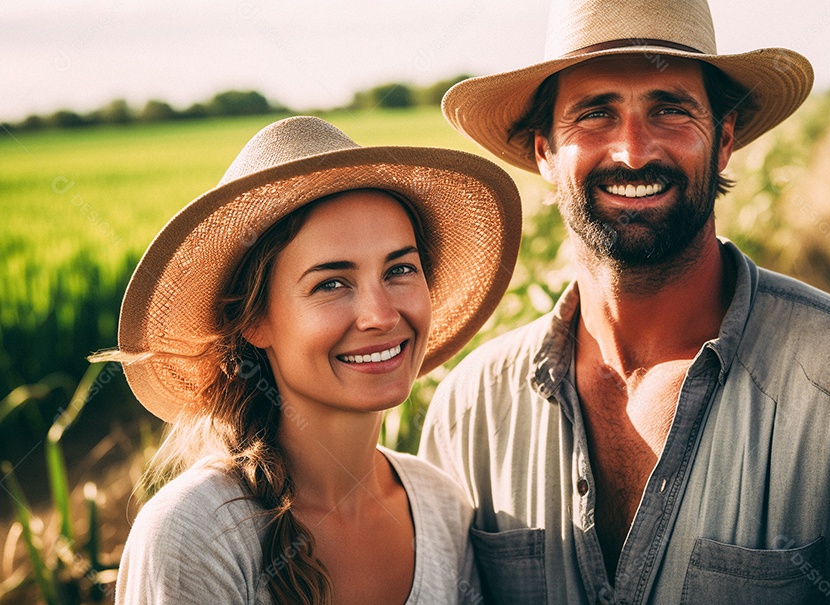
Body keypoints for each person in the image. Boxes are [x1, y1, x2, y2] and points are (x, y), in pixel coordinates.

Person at [418, 0, 830, 603]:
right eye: (594, 114)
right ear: (545, 153)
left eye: (670, 110)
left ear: (723, 141)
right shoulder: (473, 409)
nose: (634, 150)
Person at [101, 115, 521, 604]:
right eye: (331, 283)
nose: (380, 315)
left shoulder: (441, 507)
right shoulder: (196, 535)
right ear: (254, 321)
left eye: (400, 269)